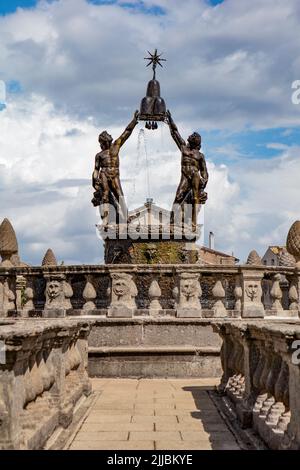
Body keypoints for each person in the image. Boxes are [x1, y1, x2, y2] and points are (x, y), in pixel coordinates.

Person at [92, 111, 139, 224]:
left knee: (119, 195)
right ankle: (106, 220)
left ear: (105, 142)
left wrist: (134, 121)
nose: (101, 144)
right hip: (104, 174)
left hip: (114, 174)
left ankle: (126, 217)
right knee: (105, 195)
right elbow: (96, 170)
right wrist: (95, 179)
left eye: (101, 142)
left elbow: (126, 133)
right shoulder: (99, 155)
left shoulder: (115, 147)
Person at [167, 110, 208, 230]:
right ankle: (172, 220)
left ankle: (194, 222)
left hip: (195, 177)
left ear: (195, 141)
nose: (188, 137)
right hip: (185, 177)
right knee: (179, 196)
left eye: (192, 137)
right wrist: (170, 120)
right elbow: (175, 133)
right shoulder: (184, 149)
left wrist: (204, 181)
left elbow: (204, 171)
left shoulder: (200, 156)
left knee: (195, 198)